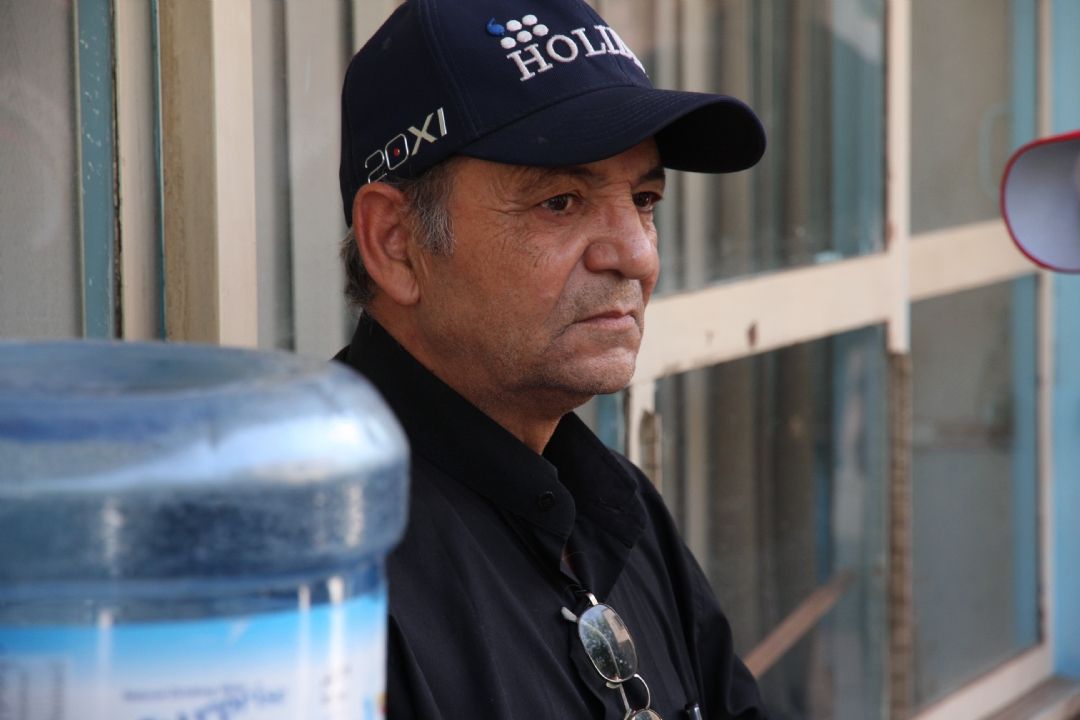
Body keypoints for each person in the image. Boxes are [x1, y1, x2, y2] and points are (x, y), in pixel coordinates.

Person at [333, 1, 769, 717]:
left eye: (645, 199)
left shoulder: (616, 502)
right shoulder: (321, 569)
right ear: (396, 243)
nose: (637, 255)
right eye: (561, 202)